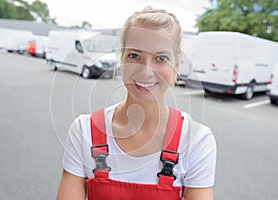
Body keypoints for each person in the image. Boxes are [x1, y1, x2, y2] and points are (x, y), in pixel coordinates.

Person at [56, 7, 216, 200]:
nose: (146, 71)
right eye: (134, 56)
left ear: (176, 66)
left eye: (161, 58)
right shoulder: (84, 131)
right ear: (121, 59)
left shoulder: (196, 140)